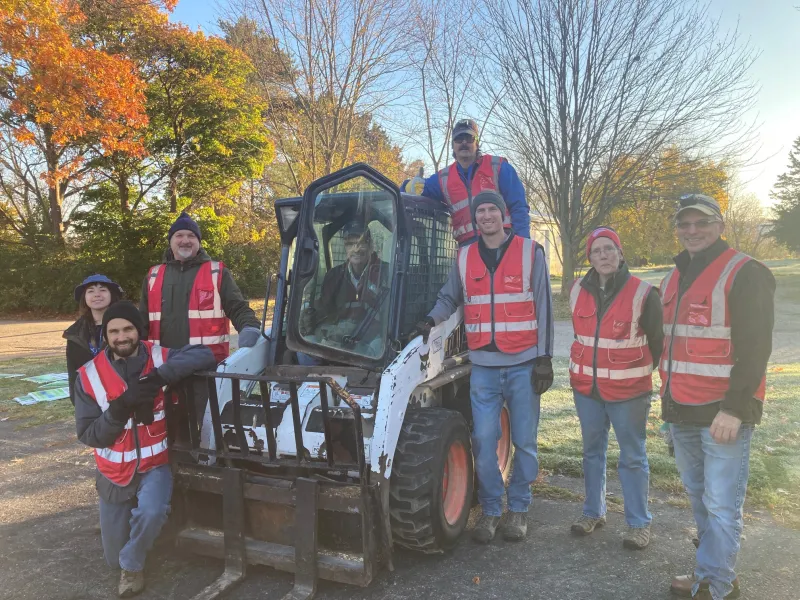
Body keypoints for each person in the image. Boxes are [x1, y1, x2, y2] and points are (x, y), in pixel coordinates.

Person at [417, 190, 553, 543]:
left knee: (524, 441)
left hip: (524, 364)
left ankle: (518, 508)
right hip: (484, 368)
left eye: (493, 209)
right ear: (475, 218)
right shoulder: (464, 257)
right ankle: (491, 509)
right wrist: (431, 320)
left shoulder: (530, 253)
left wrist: (545, 358)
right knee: (482, 440)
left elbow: (544, 306)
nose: (487, 215)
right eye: (481, 211)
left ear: (503, 215)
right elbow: (449, 297)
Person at [661, 194, 775, 600]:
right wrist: (667, 410)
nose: (692, 230)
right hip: (681, 410)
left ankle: (720, 587)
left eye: (702, 222)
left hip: (723, 414)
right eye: (684, 223)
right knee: (700, 500)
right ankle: (712, 571)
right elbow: (670, 346)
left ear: (720, 226)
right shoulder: (674, 276)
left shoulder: (746, 272)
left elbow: (756, 348)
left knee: (722, 504)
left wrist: (734, 409)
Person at [74, 301, 216, 597]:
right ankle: (133, 539)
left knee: (150, 513)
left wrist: (158, 377)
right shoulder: (88, 375)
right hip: (114, 473)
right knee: (111, 559)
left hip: (155, 464)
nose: (121, 337)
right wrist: (120, 408)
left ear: (138, 330)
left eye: (128, 329)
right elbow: (89, 434)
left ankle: (133, 564)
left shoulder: (158, 356)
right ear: (105, 335)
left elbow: (204, 354)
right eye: (114, 331)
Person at [568, 227, 663, 550]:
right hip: (586, 389)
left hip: (629, 392)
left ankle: (639, 524)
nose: (603, 255)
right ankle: (593, 512)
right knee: (592, 452)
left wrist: (635, 374)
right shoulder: (576, 289)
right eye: (596, 251)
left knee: (632, 456)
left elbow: (659, 344)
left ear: (620, 253)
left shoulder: (644, 293)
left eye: (609, 249)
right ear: (590, 258)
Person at [139, 211, 261, 363]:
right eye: (179, 235)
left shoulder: (217, 272)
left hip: (208, 366)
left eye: (191, 236)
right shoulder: (153, 275)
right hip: (162, 365)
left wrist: (249, 326)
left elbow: (237, 307)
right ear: (170, 241)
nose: (185, 240)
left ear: (199, 242)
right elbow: (141, 321)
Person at [416, 119, 530, 245]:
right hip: (468, 248)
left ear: (477, 143)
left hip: (503, 243)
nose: (464, 142)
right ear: (452, 145)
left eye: (469, 138)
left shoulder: (498, 167)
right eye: (459, 139)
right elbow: (415, 189)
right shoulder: (442, 179)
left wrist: (522, 244)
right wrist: (410, 186)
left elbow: (519, 207)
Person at [301, 221, 390, 356]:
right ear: (345, 247)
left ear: (370, 246)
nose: (356, 249)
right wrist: (309, 314)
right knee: (304, 348)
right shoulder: (334, 275)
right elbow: (325, 309)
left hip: (372, 341)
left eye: (361, 243)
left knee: (377, 348)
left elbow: (388, 320)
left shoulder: (386, 273)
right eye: (350, 244)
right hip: (340, 338)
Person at [64, 274, 124, 405]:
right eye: (91, 291)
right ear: (84, 298)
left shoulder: (125, 328)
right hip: (88, 399)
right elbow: (73, 372)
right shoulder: (74, 333)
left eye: (102, 290)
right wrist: (77, 400)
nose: (97, 294)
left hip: (121, 398)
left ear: (112, 295)